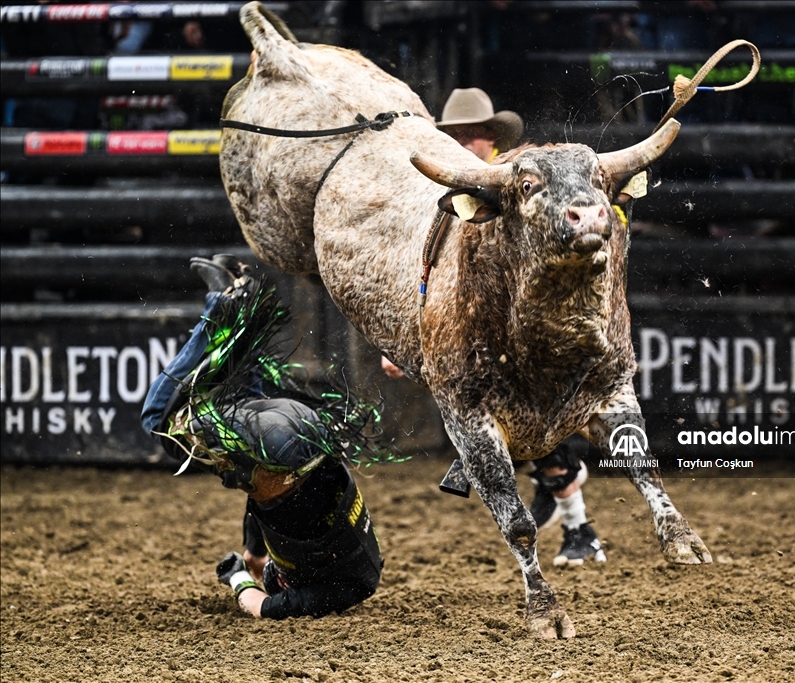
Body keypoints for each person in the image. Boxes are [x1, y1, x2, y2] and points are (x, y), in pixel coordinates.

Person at [383, 88, 605, 567]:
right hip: (479, 347)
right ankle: (575, 526)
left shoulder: (524, 187)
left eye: (472, 135)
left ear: (490, 139)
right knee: (506, 440)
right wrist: (410, 340)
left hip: (533, 343)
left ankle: (579, 529)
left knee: (535, 444)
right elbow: (428, 271)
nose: (465, 144)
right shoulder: (456, 199)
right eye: (456, 136)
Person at [141, 255, 386, 618]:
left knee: (241, 398)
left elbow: (259, 518)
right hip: (283, 453)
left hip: (308, 430)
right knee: (159, 422)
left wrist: (252, 557)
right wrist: (239, 578)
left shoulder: (359, 566)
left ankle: (246, 299)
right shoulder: (339, 591)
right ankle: (222, 306)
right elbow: (263, 607)